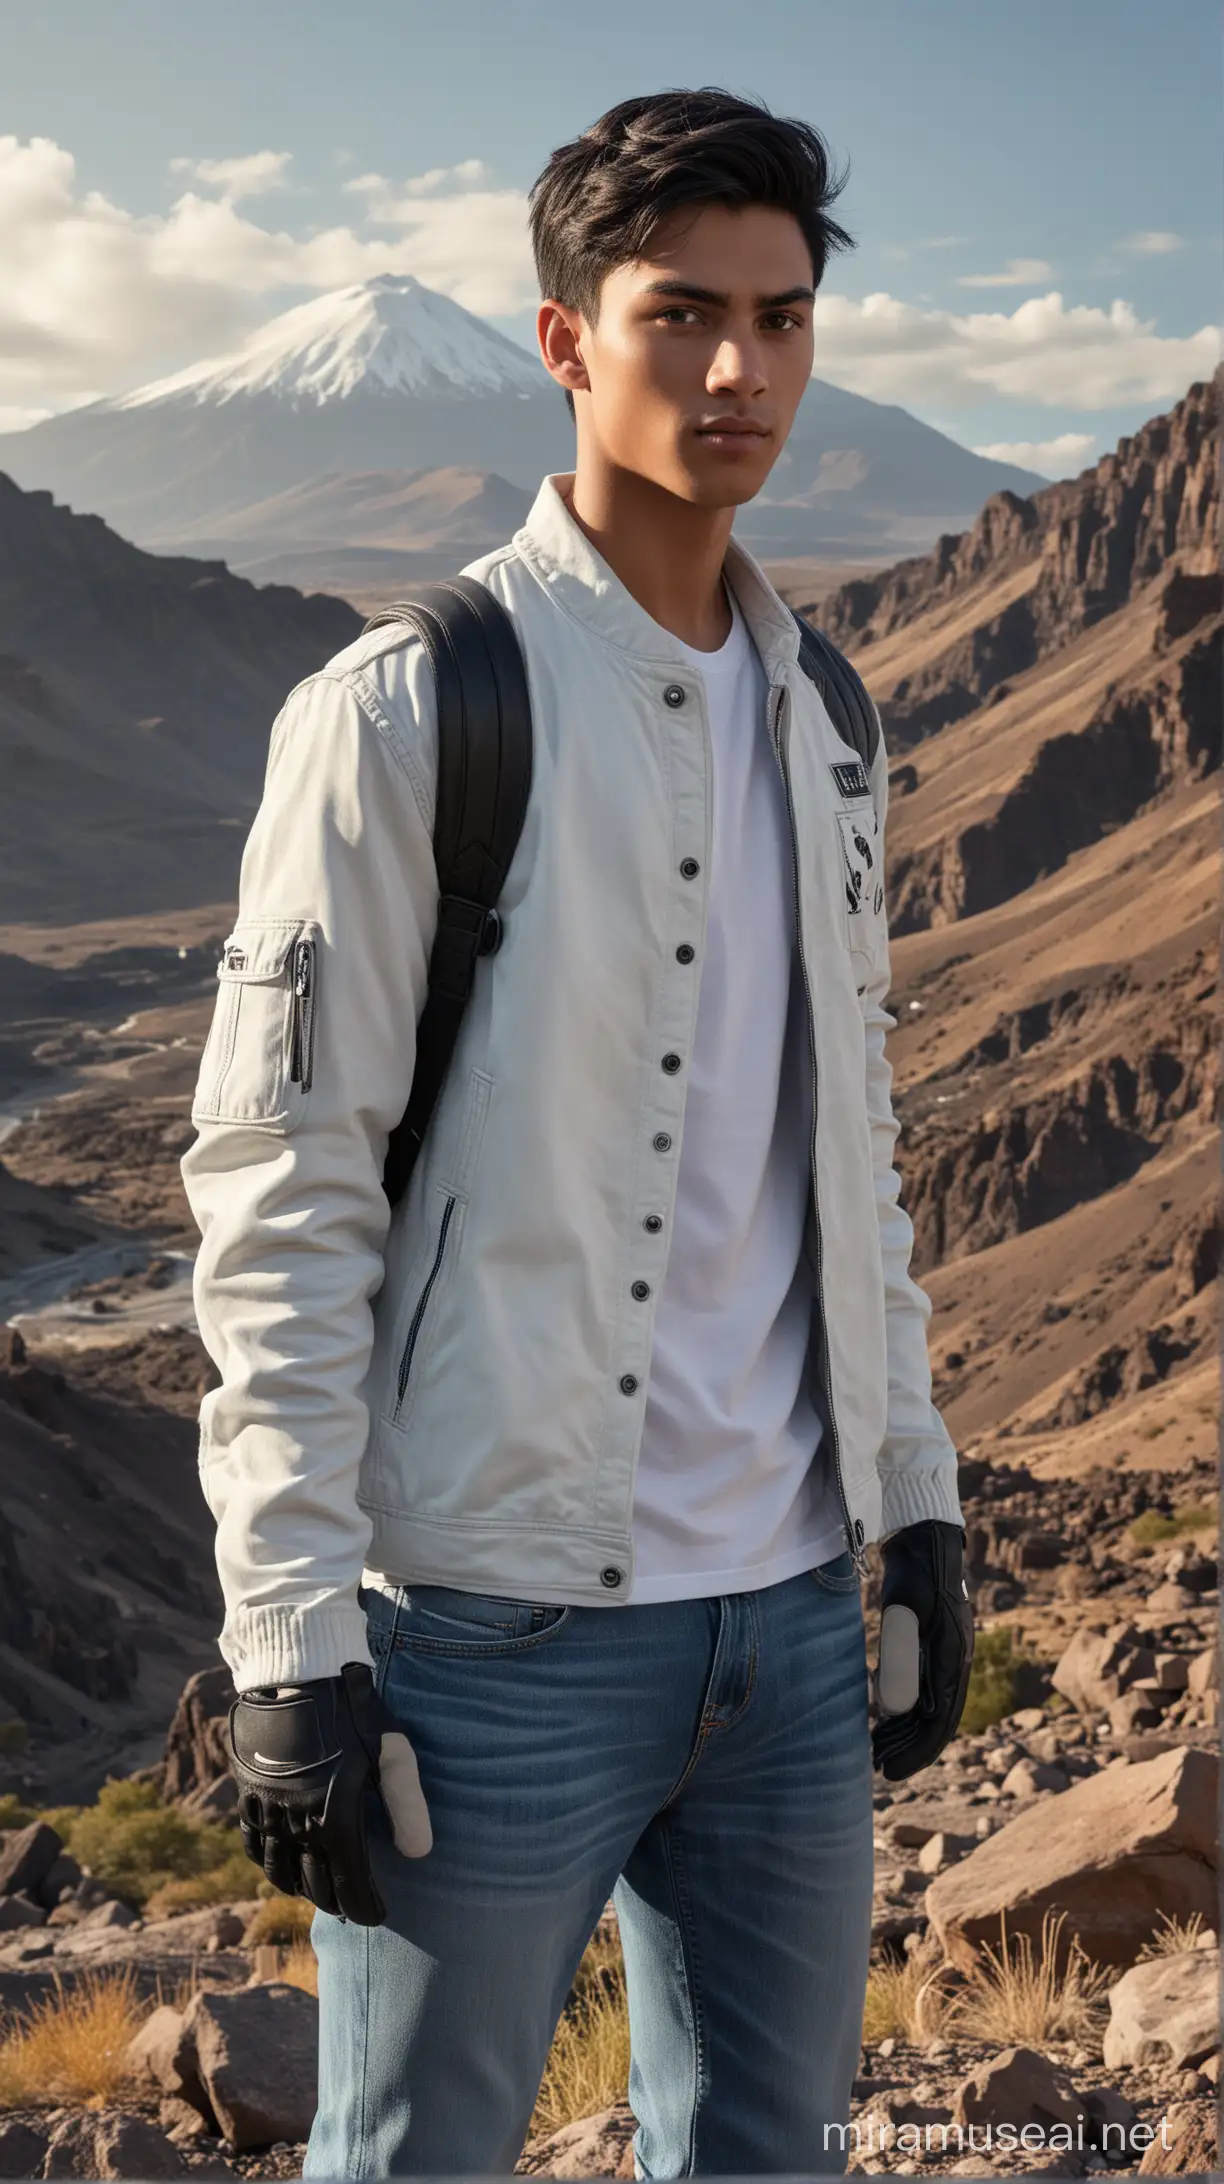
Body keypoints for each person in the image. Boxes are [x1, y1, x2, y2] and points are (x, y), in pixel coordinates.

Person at [181, 86, 973, 2181]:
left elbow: (850, 1150)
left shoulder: (832, 719)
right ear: (565, 341)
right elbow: (281, 1191)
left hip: (795, 1628)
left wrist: (914, 1505)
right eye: (681, 314)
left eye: (784, 318)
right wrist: (292, 1633)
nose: (742, 371)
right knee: (414, 2161)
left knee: (767, 2156)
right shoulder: (409, 708)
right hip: (492, 1638)